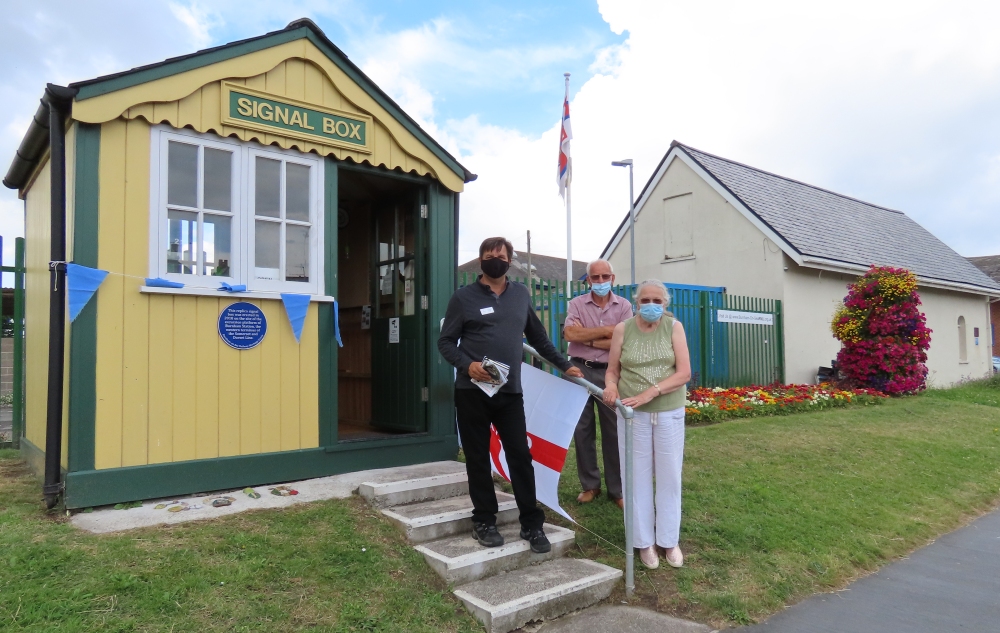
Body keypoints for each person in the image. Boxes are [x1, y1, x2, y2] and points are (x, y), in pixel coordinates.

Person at [438, 237, 584, 553]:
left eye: (500, 256)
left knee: (520, 456)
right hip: (471, 392)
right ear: (480, 261)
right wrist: (468, 365)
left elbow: (539, 338)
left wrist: (565, 365)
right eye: (488, 255)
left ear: (509, 260)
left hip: (509, 393)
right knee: (477, 459)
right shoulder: (463, 298)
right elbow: (446, 343)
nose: (494, 259)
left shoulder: (520, 294)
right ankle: (484, 522)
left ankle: (532, 525)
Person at [603, 279, 691, 570]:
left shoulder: (674, 327)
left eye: (657, 301)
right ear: (636, 302)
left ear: (665, 304)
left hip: (668, 412)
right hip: (632, 415)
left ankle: (669, 540)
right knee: (635, 478)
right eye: (645, 301)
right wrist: (611, 387)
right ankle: (643, 542)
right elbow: (613, 370)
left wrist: (650, 392)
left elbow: (684, 373)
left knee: (669, 477)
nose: (651, 306)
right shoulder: (622, 329)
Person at [563, 259, 633, 509]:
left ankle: (618, 489)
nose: (600, 281)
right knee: (582, 431)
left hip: (611, 374)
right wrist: (607, 332)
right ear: (588, 279)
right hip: (578, 370)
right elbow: (570, 335)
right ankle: (590, 485)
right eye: (596, 277)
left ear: (613, 278)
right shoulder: (576, 304)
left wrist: (588, 338)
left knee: (614, 431)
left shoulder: (624, 306)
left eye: (605, 277)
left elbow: (624, 341)